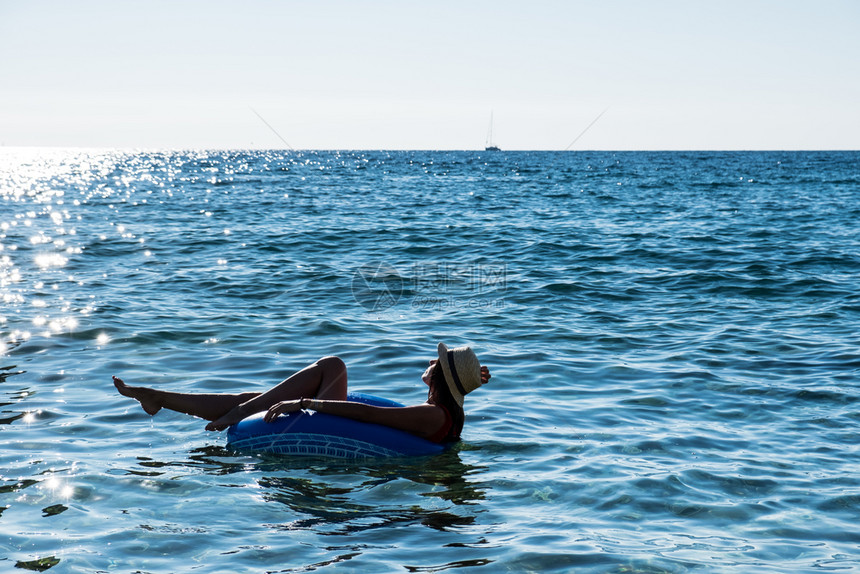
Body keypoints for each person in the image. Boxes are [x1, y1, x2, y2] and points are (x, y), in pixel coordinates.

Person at [113, 343, 490, 444]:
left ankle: (235, 410)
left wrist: (305, 403)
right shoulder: (445, 412)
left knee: (334, 366)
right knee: (263, 397)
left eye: (437, 360)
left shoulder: (434, 415)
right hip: (443, 391)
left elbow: (369, 416)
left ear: (441, 376)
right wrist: (472, 378)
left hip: (339, 429)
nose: (429, 359)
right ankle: (158, 397)